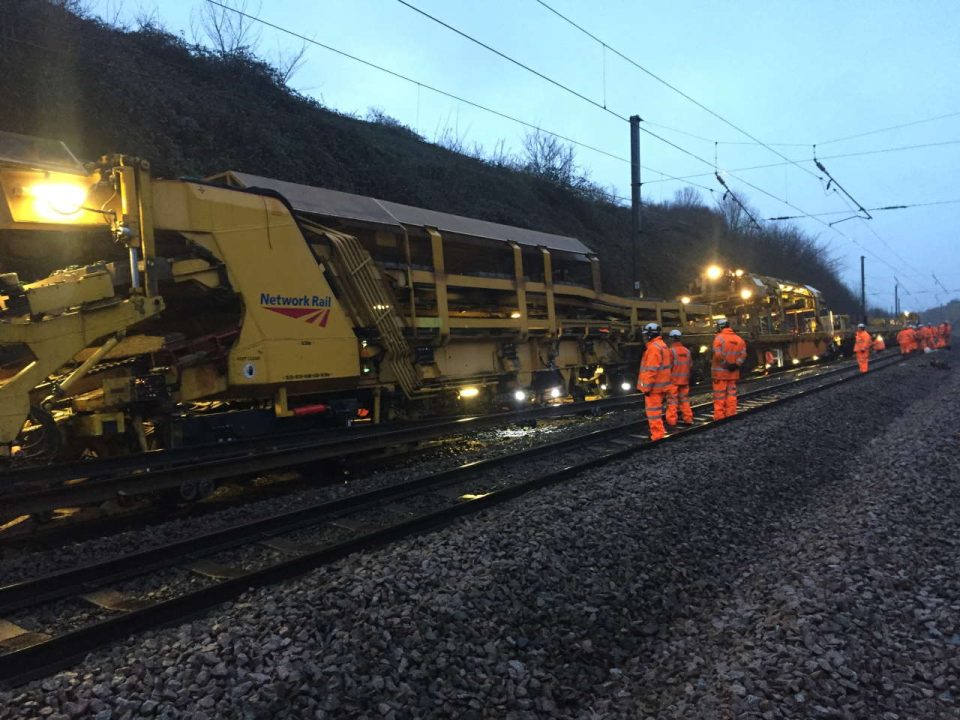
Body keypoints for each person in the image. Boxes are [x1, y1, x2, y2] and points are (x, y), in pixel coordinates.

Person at [636, 322, 672, 441]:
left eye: (647, 334)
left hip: (654, 388)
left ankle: (657, 436)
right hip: (662, 386)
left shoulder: (653, 348)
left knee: (653, 413)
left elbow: (652, 370)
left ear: (650, 335)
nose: (645, 337)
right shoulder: (662, 345)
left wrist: (646, 388)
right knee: (657, 412)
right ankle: (659, 434)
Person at [711, 318, 747, 420]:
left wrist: (726, 365)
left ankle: (719, 418)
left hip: (720, 374)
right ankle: (731, 416)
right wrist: (735, 365)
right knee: (731, 395)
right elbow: (743, 355)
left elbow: (718, 355)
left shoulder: (718, 338)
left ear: (720, 326)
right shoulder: (739, 339)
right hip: (733, 374)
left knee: (719, 396)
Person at [665, 329, 694, 427]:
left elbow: (668, 367)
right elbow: (690, 365)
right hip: (684, 381)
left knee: (672, 402)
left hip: (673, 381)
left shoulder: (670, 351)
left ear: (671, 339)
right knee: (684, 400)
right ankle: (688, 419)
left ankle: (672, 422)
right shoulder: (687, 351)